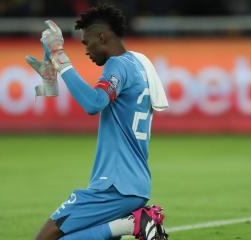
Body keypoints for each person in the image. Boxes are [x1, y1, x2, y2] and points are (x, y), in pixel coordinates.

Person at [26, 4, 169, 240]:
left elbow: (94, 103)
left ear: (101, 36)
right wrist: (50, 74)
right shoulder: (139, 62)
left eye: (86, 42)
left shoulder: (118, 64)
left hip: (114, 185)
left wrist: (60, 57)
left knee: (45, 237)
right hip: (134, 185)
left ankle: (134, 224)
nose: (86, 50)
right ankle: (130, 224)